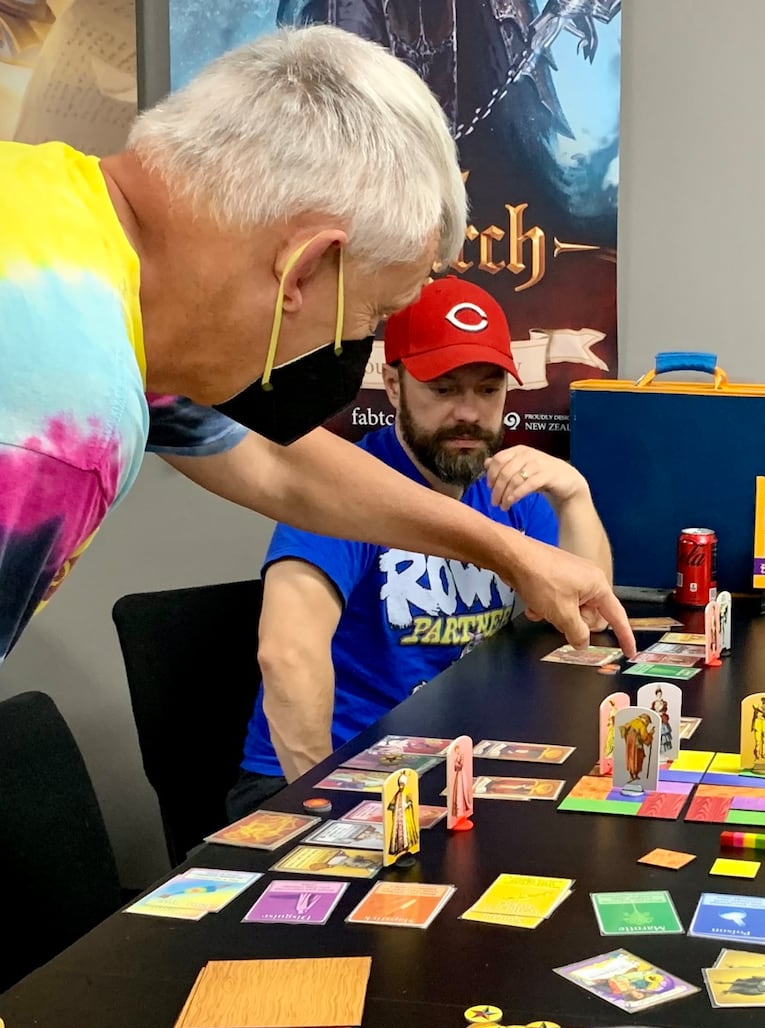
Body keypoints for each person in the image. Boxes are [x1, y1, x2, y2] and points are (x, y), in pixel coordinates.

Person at [0, 25, 634, 1023]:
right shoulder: (43, 417)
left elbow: (276, 459)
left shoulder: (34, 209)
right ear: (304, 271)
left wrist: (509, 548)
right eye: (370, 316)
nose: (350, 356)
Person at [228, 276, 613, 813]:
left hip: (461, 767)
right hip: (331, 773)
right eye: (444, 388)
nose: (469, 413)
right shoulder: (343, 489)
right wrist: (319, 805)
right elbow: (286, 652)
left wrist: (574, 496)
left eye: (487, 389)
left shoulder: (511, 486)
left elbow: (587, 623)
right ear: (392, 385)